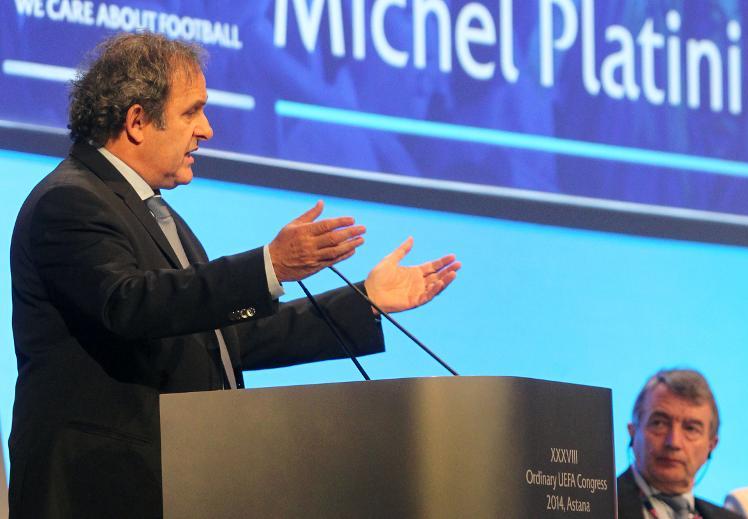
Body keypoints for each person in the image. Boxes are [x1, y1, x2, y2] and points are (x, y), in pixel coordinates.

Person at [7, 32, 460, 518]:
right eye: (192, 111)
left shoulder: (159, 217)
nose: (207, 129)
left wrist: (364, 301)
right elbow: (131, 304)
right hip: (98, 491)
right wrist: (271, 265)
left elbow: (224, 340)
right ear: (137, 121)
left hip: (176, 485)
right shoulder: (71, 201)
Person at [618, 369, 742, 519]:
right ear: (633, 431)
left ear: (711, 445)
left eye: (691, 428)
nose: (674, 442)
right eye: (659, 424)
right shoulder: (595, 505)